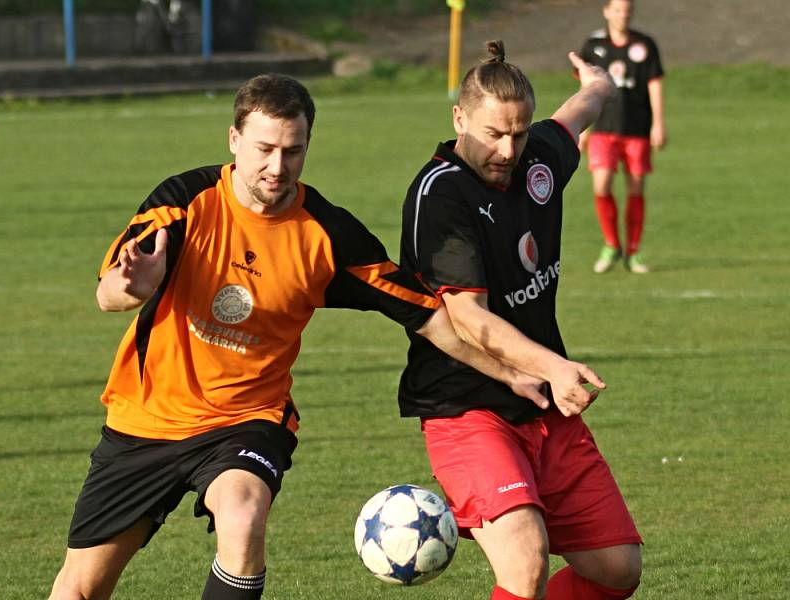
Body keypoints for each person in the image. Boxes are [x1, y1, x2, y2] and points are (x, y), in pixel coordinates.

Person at [47, 73, 541, 600]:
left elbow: (432, 318)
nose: (277, 167)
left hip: (245, 421)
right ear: (234, 140)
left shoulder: (328, 234)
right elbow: (110, 293)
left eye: (293, 151)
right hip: (143, 419)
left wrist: (513, 373)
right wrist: (131, 287)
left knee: (243, 515)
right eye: (264, 149)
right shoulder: (185, 204)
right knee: (79, 588)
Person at [398, 40, 642, 600]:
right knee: (525, 564)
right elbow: (469, 319)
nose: (508, 149)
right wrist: (555, 367)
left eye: (520, 131)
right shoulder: (441, 194)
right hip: (466, 406)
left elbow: (584, 108)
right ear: (459, 118)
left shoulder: (539, 157)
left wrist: (596, 78)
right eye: (492, 134)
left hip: (542, 406)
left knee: (617, 569)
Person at [578, 0, 666, 274]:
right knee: (601, 186)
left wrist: (658, 124)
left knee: (636, 188)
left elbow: (655, 85)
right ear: (606, 12)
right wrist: (583, 127)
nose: (622, 15)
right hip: (603, 127)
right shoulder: (593, 47)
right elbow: (585, 87)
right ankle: (612, 244)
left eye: (626, 10)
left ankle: (634, 251)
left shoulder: (645, 45)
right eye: (617, 9)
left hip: (637, 128)